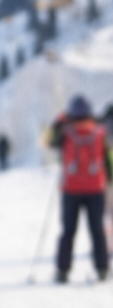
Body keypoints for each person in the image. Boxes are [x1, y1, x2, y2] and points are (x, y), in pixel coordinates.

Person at [48, 94, 110, 282]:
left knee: (68, 231)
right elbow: (106, 159)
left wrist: (59, 120)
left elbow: (50, 142)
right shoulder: (100, 132)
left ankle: (63, 270)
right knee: (97, 230)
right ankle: (102, 269)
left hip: (71, 189)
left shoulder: (66, 132)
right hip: (96, 189)